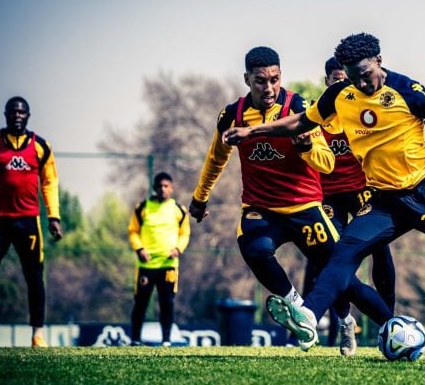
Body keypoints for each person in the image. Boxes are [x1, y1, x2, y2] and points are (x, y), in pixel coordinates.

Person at [222, 33, 425, 353]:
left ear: (379, 61)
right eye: (353, 78)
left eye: (365, 75)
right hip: (383, 201)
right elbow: (299, 123)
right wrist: (252, 131)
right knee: (341, 255)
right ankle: (308, 316)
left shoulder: (410, 91)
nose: (361, 84)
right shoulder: (339, 96)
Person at [189, 46, 391, 355]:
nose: (268, 88)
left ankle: (386, 325)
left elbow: (327, 163)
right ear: (247, 79)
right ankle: (298, 309)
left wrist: (306, 146)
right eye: (260, 81)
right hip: (262, 210)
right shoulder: (233, 115)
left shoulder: (300, 108)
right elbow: (216, 158)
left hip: (306, 208)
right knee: (254, 247)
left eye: (274, 79)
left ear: (281, 76)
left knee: (344, 277)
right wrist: (200, 198)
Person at [302, 56, 397, 348]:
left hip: (363, 191)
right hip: (329, 196)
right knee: (331, 258)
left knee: (381, 252)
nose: (343, 84)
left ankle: (389, 325)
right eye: (337, 79)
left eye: (347, 79)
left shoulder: (361, 107)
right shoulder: (316, 114)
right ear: (327, 82)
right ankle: (345, 321)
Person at [0, 96, 63, 348]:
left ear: (28, 116)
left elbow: (50, 182)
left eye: (21, 112)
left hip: (28, 222)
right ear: (5, 114)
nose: (17, 116)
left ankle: (37, 334)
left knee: (35, 277)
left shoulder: (40, 146)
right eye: (13, 112)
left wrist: (54, 217)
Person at [128, 172, 190, 347]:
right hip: (146, 266)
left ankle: (166, 340)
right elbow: (133, 231)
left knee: (167, 303)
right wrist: (139, 249)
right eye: (159, 186)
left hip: (168, 266)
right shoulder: (142, 208)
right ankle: (135, 339)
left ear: (171, 188)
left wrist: (178, 248)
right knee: (140, 303)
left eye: (166, 186)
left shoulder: (179, 210)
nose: (162, 189)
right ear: (154, 188)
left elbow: (185, 233)